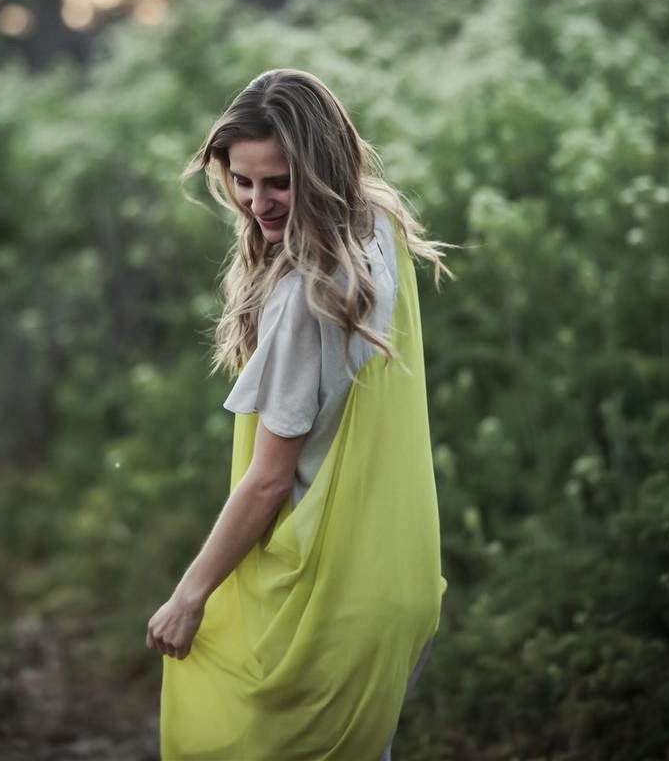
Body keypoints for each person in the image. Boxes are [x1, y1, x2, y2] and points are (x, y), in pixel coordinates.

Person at [146, 68, 447, 761]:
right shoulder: (379, 228)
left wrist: (190, 596)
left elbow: (267, 482)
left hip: (327, 598)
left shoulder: (302, 299)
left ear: (319, 167)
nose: (258, 203)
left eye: (278, 181)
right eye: (242, 180)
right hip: (401, 579)